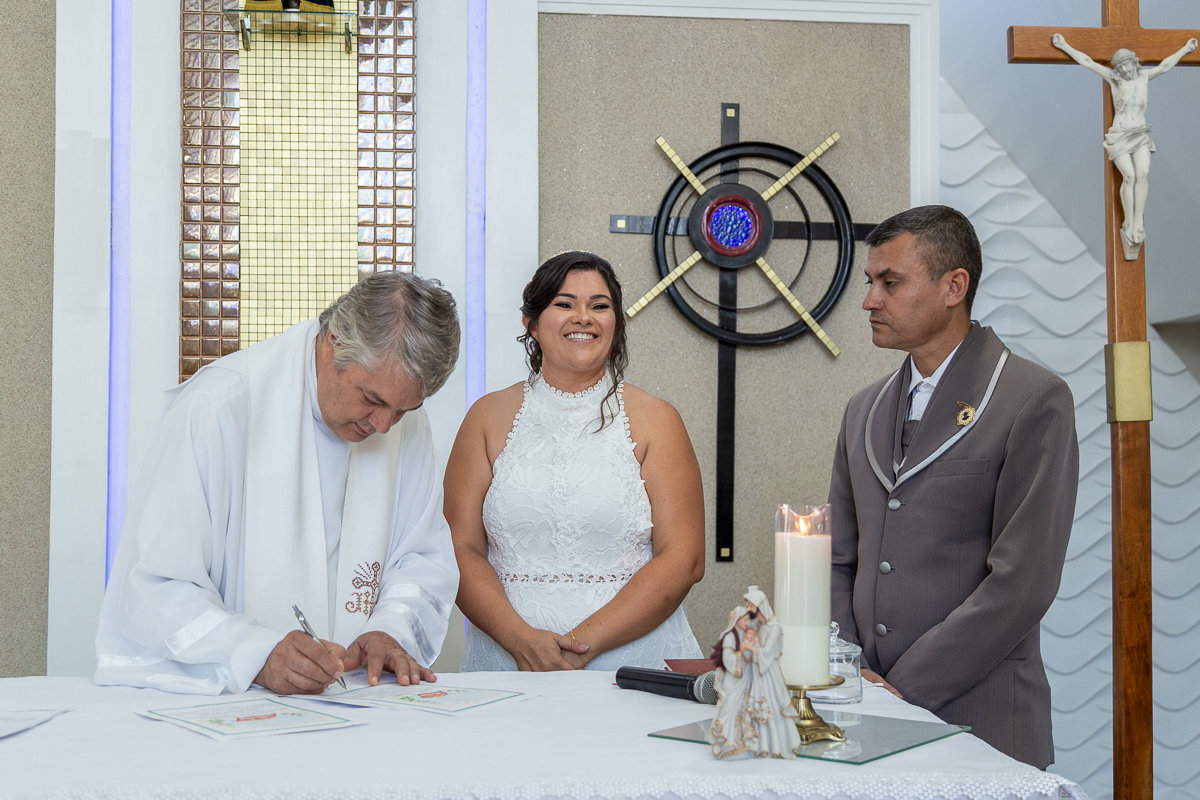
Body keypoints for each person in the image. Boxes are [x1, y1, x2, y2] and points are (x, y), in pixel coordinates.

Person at [95, 271, 462, 695]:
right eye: (373, 400)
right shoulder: (217, 409)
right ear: (333, 344)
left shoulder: (404, 420)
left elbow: (421, 557)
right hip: (236, 707)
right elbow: (157, 586)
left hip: (362, 705)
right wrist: (256, 654)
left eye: (404, 409)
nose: (384, 426)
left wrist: (391, 628)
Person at [828, 205, 1079, 769]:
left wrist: (898, 691)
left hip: (983, 720)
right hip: (862, 715)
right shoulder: (862, 410)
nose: (870, 300)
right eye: (871, 282)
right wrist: (850, 673)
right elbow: (836, 558)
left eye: (889, 282)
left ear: (953, 286)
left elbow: (1024, 582)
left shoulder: (1032, 398)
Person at [446, 251, 705, 671]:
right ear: (530, 323)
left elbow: (684, 559)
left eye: (599, 306)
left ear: (615, 323)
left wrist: (580, 646)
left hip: (628, 665)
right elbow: (459, 546)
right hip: (509, 659)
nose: (583, 317)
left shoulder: (657, 420)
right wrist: (520, 640)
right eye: (564, 304)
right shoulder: (486, 418)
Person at [1052, 33, 1197, 258]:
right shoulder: (1114, 78)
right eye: (1120, 67)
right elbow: (1087, 61)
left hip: (1140, 133)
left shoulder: (1144, 77)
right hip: (1120, 135)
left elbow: (1166, 65)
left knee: (1144, 173)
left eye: (1127, 65)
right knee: (1128, 176)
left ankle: (1138, 221)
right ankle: (1129, 223)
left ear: (1134, 63)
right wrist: (1066, 46)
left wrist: (1186, 49)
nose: (1125, 70)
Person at [742, 586, 802, 758]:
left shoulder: (774, 628)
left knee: (771, 709)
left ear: (759, 606)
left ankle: (777, 745)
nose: (747, 609)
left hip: (769, 674)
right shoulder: (759, 625)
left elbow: (767, 652)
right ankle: (758, 744)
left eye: (750, 605)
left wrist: (749, 648)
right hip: (757, 672)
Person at [708, 606, 756, 759]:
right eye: (745, 620)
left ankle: (740, 740)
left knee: (742, 709)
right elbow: (728, 659)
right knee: (730, 709)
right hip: (732, 679)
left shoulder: (743, 635)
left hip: (742, 679)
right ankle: (727, 741)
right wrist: (742, 658)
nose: (748, 622)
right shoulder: (729, 636)